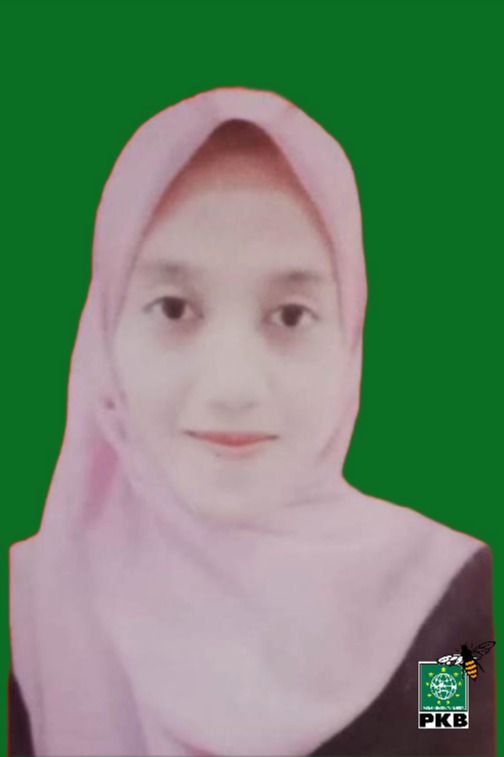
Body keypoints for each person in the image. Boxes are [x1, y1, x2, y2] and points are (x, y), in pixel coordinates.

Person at [8, 87, 495, 756]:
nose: (232, 387)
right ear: (105, 335)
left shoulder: (450, 598)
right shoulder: (30, 606)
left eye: (291, 315)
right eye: (173, 308)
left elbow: (454, 739)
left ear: (351, 340)